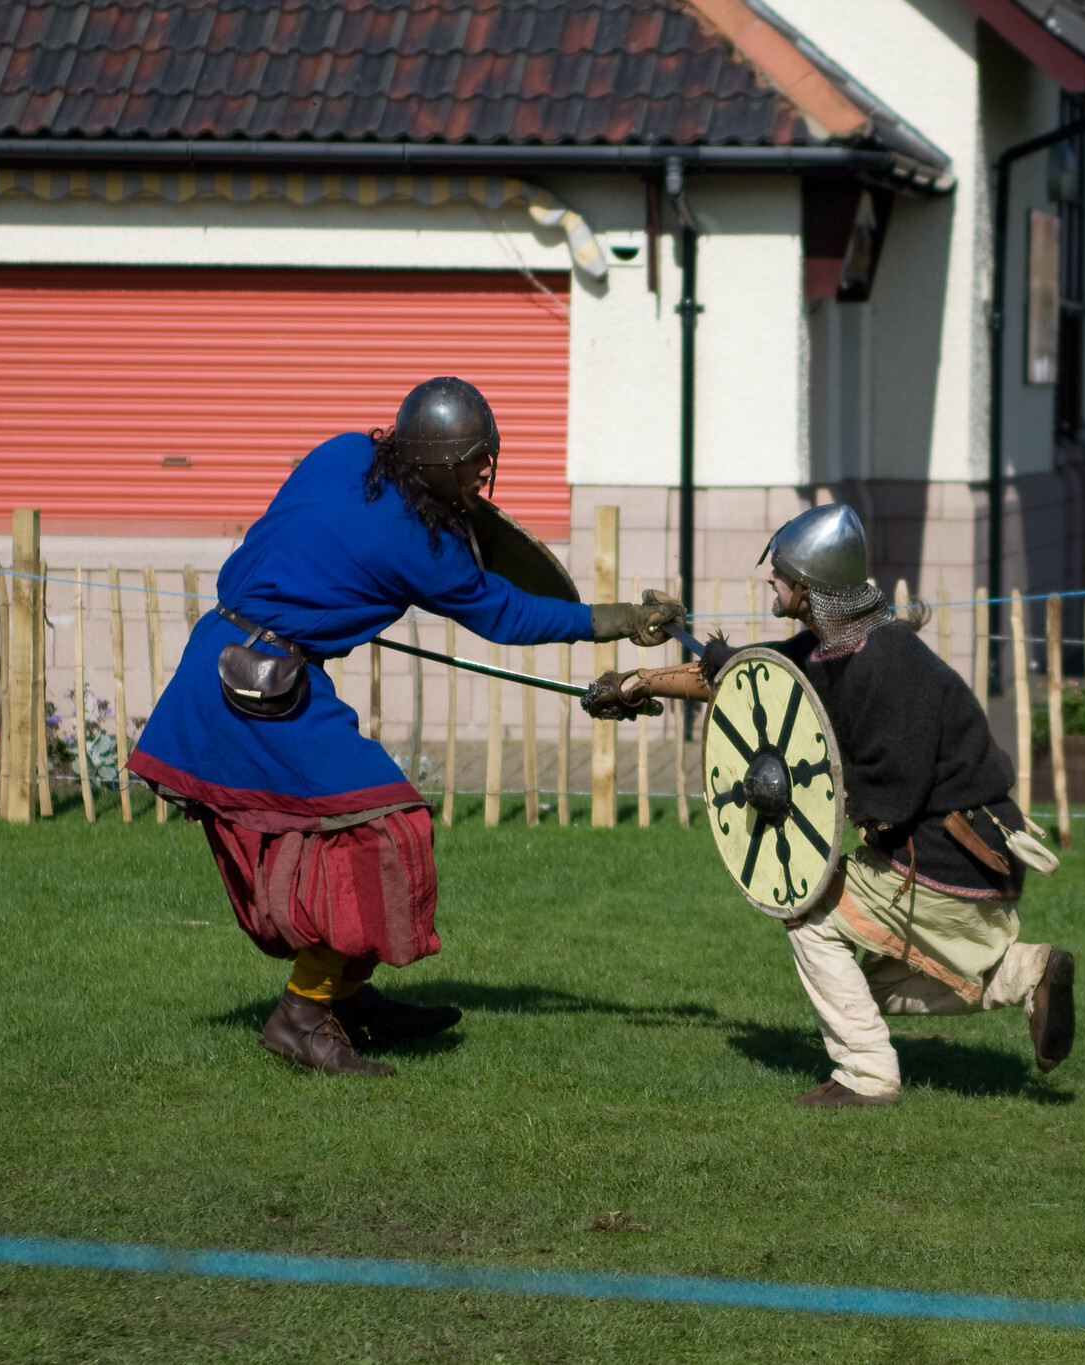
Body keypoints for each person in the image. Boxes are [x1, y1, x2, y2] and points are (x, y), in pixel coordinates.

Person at [129, 377, 680, 1078]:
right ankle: (302, 1014)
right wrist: (620, 620)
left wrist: (329, 592)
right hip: (255, 687)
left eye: (489, 455)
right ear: (435, 464)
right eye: (473, 461)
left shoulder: (342, 450)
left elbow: (307, 528)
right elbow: (509, 613)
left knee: (368, 826)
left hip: (233, 653)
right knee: (385, 826)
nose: (485, 472)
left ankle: (346, 998)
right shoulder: (422, 547)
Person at [583, 504, 1075, 1108]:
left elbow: (890, 798)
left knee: (808, 914)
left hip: (953, 857)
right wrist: (637, 683)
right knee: (859, 988)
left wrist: (805, 791)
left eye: (781, 573)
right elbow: (747, 676)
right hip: (963, 860)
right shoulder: (839, 648)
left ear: (811, 589)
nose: (771, 580)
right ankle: (1027, 974)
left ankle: (866, 1077)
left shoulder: (887, 664)